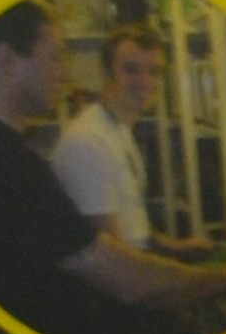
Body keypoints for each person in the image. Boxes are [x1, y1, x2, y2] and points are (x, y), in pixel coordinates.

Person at [0, 2, 226, 334]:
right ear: (6, 60)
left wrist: (174, 248)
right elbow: (122, 276)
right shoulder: (16, 160)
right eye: (56, 57)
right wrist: (220, 279)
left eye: (155, 72)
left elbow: (121, 235)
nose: (66, 75)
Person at [45, 28, 166, 245]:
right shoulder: (86, 143)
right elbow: (111, 253)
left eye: (154, 71)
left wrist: (176, 247)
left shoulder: (118, 128)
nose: (145, 81)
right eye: (132, 69)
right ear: (106, 74)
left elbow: (132, 226)